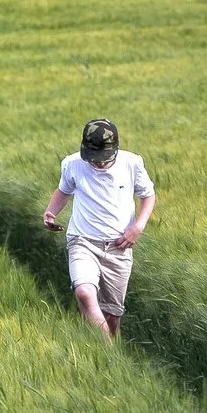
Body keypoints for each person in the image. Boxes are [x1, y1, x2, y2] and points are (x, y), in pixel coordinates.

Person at [41, 118, 155, 340]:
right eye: (94, 159)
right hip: (82, 240)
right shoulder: (72, 164)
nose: (98, 164)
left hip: (118, 247)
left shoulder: (132, 164)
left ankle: (111, 357)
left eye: (104, 159)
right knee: (84, 292)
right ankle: (108, 353)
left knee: (112, 318)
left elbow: (148, 195)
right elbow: (63, 191)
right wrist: (50, 212)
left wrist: (138, 227)